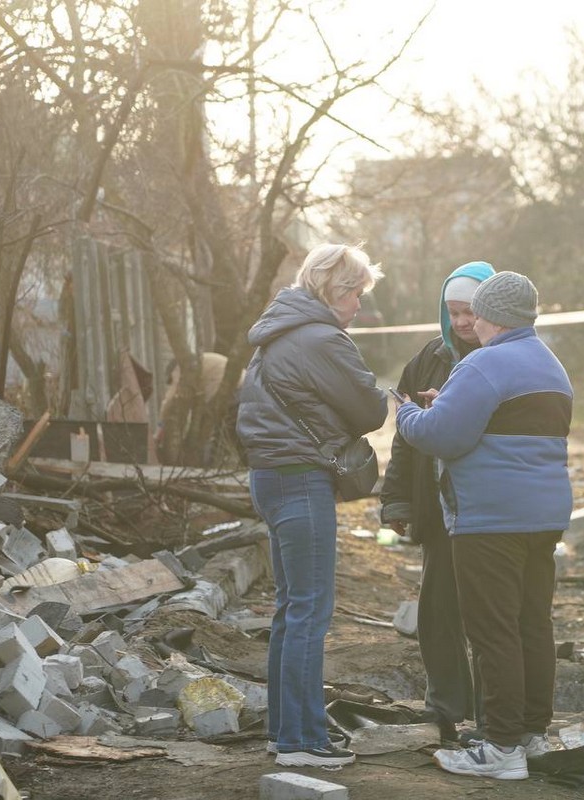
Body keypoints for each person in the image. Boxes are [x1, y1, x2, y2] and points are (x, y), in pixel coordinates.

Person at [395, 271, 573, 781]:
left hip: (490, 519)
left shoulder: (485, 363)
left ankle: (500, 748)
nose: (470, 321)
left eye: (475, 313)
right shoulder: (550, 363)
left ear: (490, 315)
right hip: (542, 518)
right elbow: (501, 424)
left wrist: (408, 412)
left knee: (493, 631)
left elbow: (442, 436)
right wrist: (448, 402)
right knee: (532, 624)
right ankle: (530, 733)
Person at [236, 243, 388, 768]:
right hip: (302, 479)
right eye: (357, 295)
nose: (360, 309)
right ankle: (303, 742)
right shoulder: (323, 339)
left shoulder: (274, 334)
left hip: (270, 477)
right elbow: (369, 409)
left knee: (290, 608)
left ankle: (285, 731)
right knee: (310, 610)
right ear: (336, 290)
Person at [379, 260, 494, 743]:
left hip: (488, 508)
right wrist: (397, 502)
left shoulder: (502, 356)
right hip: (437, 508)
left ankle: (495, 716)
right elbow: (404, 438)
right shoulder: (426, 358)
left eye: (471, 312)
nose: (463, 322)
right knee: (438, 611)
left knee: (490, 614)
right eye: (454, 312)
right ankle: (446, 706)